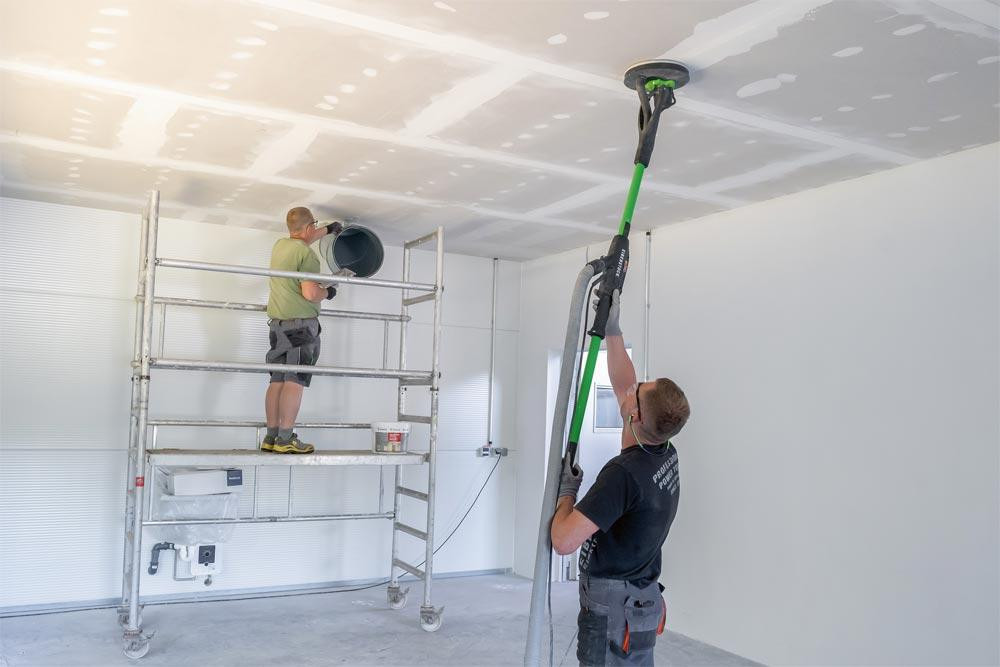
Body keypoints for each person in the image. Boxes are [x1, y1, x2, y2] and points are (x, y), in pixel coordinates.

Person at [550, 290, 690, 666]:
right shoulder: (663, 450)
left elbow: (563, 540)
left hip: (612, 608)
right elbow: (624, 385)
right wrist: (614, 330)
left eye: (637, 392)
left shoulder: (623, 476)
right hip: (640, 599)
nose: (631, 388)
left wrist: (567, 492)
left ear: (635, 416)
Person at [261, 207, 341, 454]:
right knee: (295, 380)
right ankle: (286, 438)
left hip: (278, 326)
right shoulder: (307, 255)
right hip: (300, 327)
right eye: (314, 226)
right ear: (308, 227)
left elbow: (304, 238)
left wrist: (328, 230)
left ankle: (271, 437)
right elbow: (310, 293)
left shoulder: (280, 246)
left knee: (277, 380)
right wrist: (328, 292)